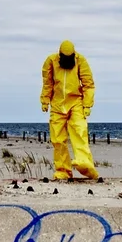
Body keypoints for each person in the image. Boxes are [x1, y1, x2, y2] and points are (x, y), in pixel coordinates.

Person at [40, 40, 98, 180]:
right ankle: (63, 171)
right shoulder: (51, 61)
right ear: (60, 55)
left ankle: (85, 163)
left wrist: (87, 105)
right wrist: (45, 100)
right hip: (57, 103)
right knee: (57, 138)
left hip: (76, 102)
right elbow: (48, 82)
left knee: (79, 131)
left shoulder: (81, 61)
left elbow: (88, 84)